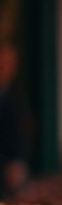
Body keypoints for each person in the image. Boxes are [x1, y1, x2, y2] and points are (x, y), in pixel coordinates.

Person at [0, 41, 29, 197]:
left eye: (10, 63)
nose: (6, 67)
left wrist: (17, 160)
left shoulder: (15, 94)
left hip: (7, 169)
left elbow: (18, 131)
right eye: (2, 62)